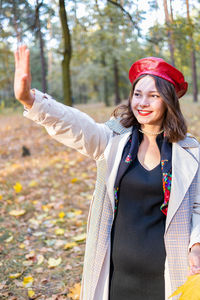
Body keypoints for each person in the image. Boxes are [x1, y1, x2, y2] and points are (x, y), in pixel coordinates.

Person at [14, 45, 200, 300]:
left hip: (169, 274)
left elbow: (197, 206)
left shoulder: (189, 151)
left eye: (153, 96)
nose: (142, 103)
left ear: (168, 100)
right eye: (137, 94)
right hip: (117, 276)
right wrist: (30, 100)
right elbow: (76, 125)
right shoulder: (112, 140)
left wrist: (196, 245)